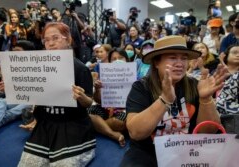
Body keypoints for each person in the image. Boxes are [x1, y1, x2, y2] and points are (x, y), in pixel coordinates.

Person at [119, 35, 229, 167]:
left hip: (188, 151)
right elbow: (136, 133)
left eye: (184, 58)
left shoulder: (195, 85)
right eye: (172, 58)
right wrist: (165, 100)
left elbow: (208, 131)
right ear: (156, 62)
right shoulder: (141, 87)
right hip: (148, 152)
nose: (180, 63)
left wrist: (205, 99)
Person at [18, 22, 96, 166]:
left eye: (55, 38)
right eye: (46, 40)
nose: (51, 44)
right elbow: (38, 97)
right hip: (45, 126)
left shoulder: (80, 69)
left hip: (72, 126)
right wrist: (15, 86)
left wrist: (82, 97)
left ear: (69, 40)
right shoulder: (37, 67)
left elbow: (89, 103)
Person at [0, 40, 35, 144]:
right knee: (0, 102)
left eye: (18, 51)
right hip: (15, 98)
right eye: (13, 51)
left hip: (32, 100)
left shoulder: (39, 68)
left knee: (16, 110)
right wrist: (7, 88)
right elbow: (9, 93)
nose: (14, 54)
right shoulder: (12, 67)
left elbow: (37, 90)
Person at [88, 48, 128, 147]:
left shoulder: (135, 78)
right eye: (114, 59)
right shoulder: (105, 76)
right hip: (106, 110)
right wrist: (97, 89)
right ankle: (113, 134)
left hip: (123, 112)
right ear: (110, 62)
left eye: (121, 58)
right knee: (89, 113)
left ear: (127, 60)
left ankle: (97, 126)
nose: (117, 61)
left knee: (120, 121)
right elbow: (98, 100)